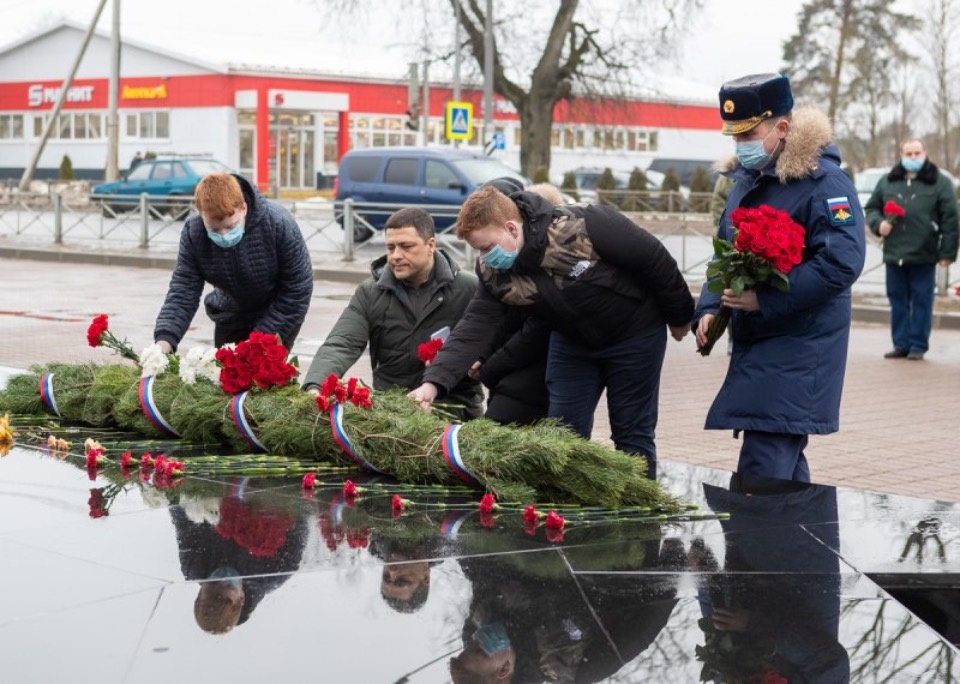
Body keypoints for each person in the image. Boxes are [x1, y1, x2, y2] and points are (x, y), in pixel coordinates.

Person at [408, 183, 695, 479]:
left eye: (486, 248)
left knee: (631, 431)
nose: (484, 258)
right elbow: (474, 327)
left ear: (511, 228)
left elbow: (654, 260)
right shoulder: (494, 273)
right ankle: (565, 507)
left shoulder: (585, 225)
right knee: (562, 432)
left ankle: (641, 510)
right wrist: (433, 384)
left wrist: (680, 317)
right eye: (478, 251)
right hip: (572, 343)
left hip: (634, 335)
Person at [693, 73, 866, 483]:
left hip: (800, 345)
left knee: (763, 469)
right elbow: (727, 254)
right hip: (762, 346)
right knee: (779, 474)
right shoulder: (747, 180)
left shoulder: (825, 182)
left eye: (749, 134)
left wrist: (765, 300)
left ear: (782, 128)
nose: (741, 146)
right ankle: (797, 547)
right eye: (734, 137)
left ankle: (764, 549)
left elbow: (842, 262)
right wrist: (709, 308)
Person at [301, 207, 483, 420]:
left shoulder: (469, 288)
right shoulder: (370, 292)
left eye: (406, 246)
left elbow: (494, 344)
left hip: (454, 409)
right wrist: (315, 385)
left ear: (430, 245)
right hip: (391, 412)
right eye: (390, 247)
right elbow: (342, 343)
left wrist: (477, 362)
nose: (396, 256)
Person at [153, 173, 313, 353]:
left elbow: (298, 288)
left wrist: (259, 342)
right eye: (214, 229)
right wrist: (164, 340)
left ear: (243, 208)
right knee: (225, 374)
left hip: (277, 312)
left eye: (230, 226)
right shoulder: (194, 232)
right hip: (231, 314)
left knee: (262, 375)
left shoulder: (278, 223)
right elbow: (183, 289)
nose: (223, 235)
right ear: (201, 216)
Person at [864, 138, 959, 361]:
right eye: (909, 153)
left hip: (924, 254)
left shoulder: (939, 182)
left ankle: (918, 345)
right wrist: (879, 224)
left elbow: (951, 219)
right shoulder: (889, 180)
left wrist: (947, 253)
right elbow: (871, 208)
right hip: (894, 253)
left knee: (922, 301)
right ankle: (900, 344)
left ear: (925, 153)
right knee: (897, 300)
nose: (913, 157)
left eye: (917, 153)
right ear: (901, 154)